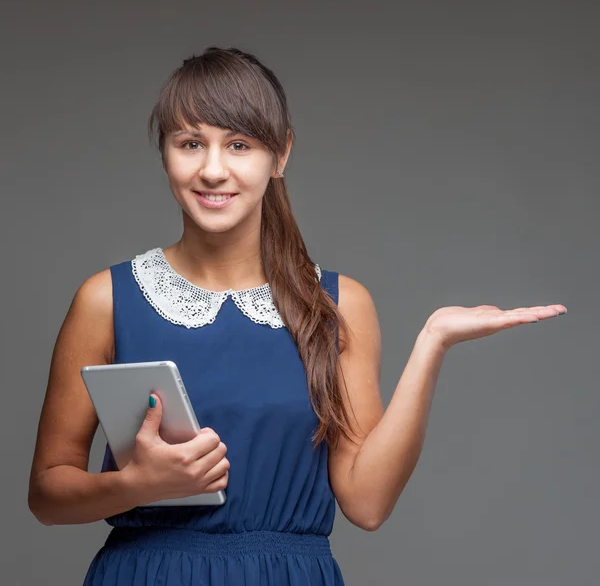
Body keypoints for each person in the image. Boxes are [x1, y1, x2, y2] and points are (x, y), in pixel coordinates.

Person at [27, 46, 567, 586]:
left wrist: (432, 343)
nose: (213, 170)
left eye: (239, 145)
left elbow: (368, 503)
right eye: (190, 144)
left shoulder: (338, 304)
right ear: (165, 153)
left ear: (280, 155)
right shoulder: (107, 299)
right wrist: (135, 485)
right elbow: (47, 495)